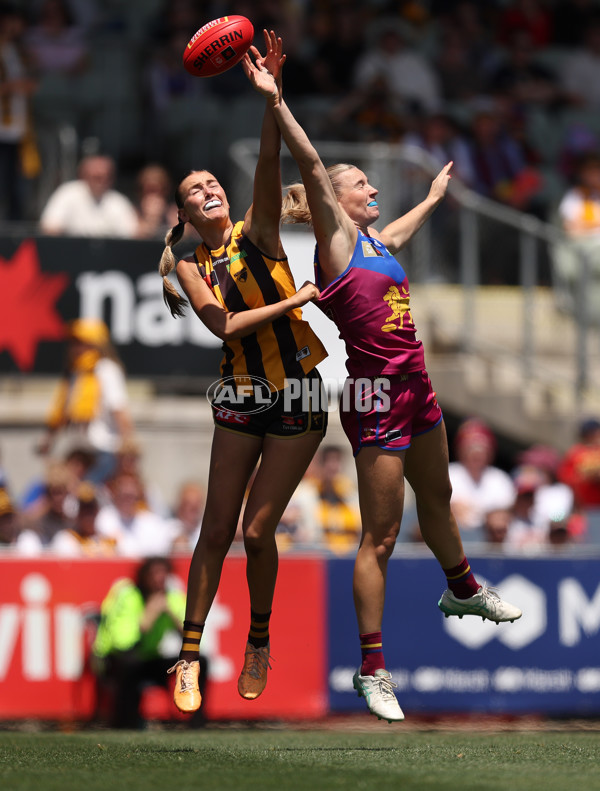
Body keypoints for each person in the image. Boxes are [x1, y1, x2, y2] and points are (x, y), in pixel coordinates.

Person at [244, 33, 522, 724]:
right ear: (334, 199)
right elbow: (309, 159)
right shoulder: (335, 237)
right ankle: (372, 667)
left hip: (415, 382)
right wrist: (278, 102)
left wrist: (432, 197)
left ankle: (461, 587)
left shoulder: (370, 243)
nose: (372, 187)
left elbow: (395, 236)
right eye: (361, 183)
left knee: (441, 495)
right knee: (381, 536)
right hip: (373, 395)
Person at [157, 32, 328, 715]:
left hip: (299, 389)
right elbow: (224, 327)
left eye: (211, 182)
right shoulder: (191, 266)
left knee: (259, 532)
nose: (208, 188)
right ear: (184, 216)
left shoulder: (259, 231)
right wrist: (295, 300)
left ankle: (259, 637)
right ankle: (190, 653)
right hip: (240, 391)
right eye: (194, 189)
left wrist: (270, 99)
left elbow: (268, 158)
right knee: (215, 529)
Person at [92, 556, 206, 729]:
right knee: (130, 663)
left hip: (149, 659)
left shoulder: (171, 597)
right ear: (143, 576)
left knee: (198, 662)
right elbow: (122, 643)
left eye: (163, 573)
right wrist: (148, 616)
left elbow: (190, 637)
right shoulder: (128, 595)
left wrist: (171, 614)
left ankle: (195, 723)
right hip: (115, 660)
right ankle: (124, 724)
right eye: (154, 573)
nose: (159, 578)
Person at [37, 318, 135, 484]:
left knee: (84, 493)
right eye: (74, 342)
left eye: (81, 342)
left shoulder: (107, 370)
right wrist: (48, 441)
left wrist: (128, 450)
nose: (75, 347)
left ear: (95, 344)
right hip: (80, 453)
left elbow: (119, 411)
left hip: (105, 453)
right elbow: (62, 413)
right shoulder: (75, 373)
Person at [448, 417, 516, 541]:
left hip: (490, 542)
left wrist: (483, 515)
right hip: (454, 539)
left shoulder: (499, 479)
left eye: (482, 450)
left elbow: (502, 515)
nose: (477, 455)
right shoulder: (450, 473)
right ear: (461, 451)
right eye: (471, 449)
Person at [39, 154, 139, 237]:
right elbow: (49, 227)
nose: (101, 182)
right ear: (84, 176)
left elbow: (134, 233)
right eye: (96, 177)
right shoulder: (67, 193)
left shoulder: (118, 201)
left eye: (106, 177)